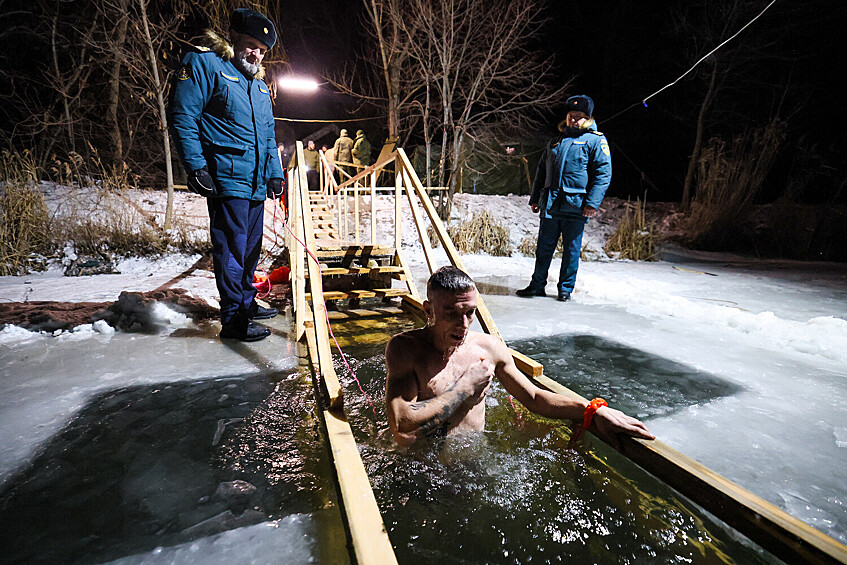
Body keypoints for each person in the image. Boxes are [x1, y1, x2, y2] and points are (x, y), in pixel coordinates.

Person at [385, 266, 653, 448]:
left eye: (470, 313)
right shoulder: (405, 349)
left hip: (474, 461)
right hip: (423, 470)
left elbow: (534, 398)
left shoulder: (488, 348)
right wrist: (465, 388)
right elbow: (401, 424)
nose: (464, 324)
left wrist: (592, 410)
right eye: (452, 314)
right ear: (428, 310)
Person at [170, 8, 284, 342]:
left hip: (254, 183)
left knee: (250, 250)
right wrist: (197, 167)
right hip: (226, 178)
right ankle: (233, 320)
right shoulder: (205, 66)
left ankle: (246, 304)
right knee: (232, 252)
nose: (256, 54)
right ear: (233, 38)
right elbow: (183, 116)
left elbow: (267, 136)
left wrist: (274, 173)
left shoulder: (259, 88)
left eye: (261, 50)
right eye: (250, 44)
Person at [517, 95, 611, 302]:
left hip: (576, 207)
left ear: (588, 117)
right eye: (571, 116)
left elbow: (603, 174)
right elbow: (541, 171)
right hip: (551, 204)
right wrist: (535, 198)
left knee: (571, 251)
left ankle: (565, 289)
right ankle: (537, 285)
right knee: (543, 249)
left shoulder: (596, 141)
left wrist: (592, 203)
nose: (574, 120)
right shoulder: (556, 141)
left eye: (579, 116)